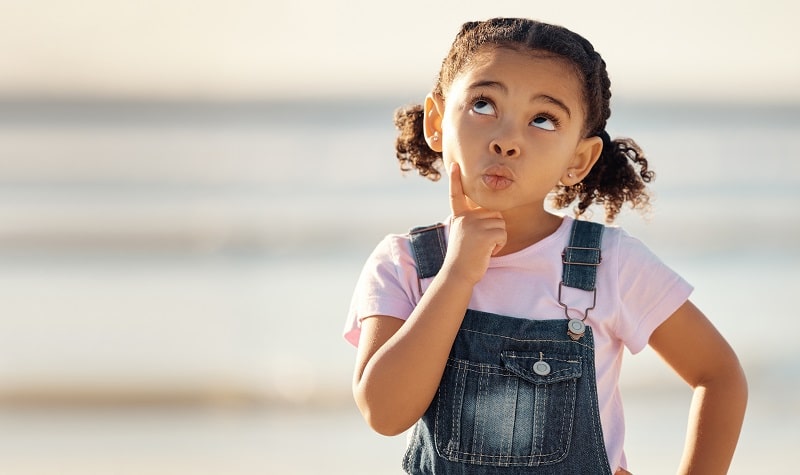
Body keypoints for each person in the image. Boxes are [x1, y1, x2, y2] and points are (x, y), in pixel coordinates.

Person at [343, 17, 747, 475]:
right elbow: (385, 413)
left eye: (543, 119)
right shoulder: (405, 263)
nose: (507, 140)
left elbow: (719, 376)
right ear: (437, 122)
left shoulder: (608, 264)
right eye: (483, 104)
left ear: (579, 159)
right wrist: (457, 273)